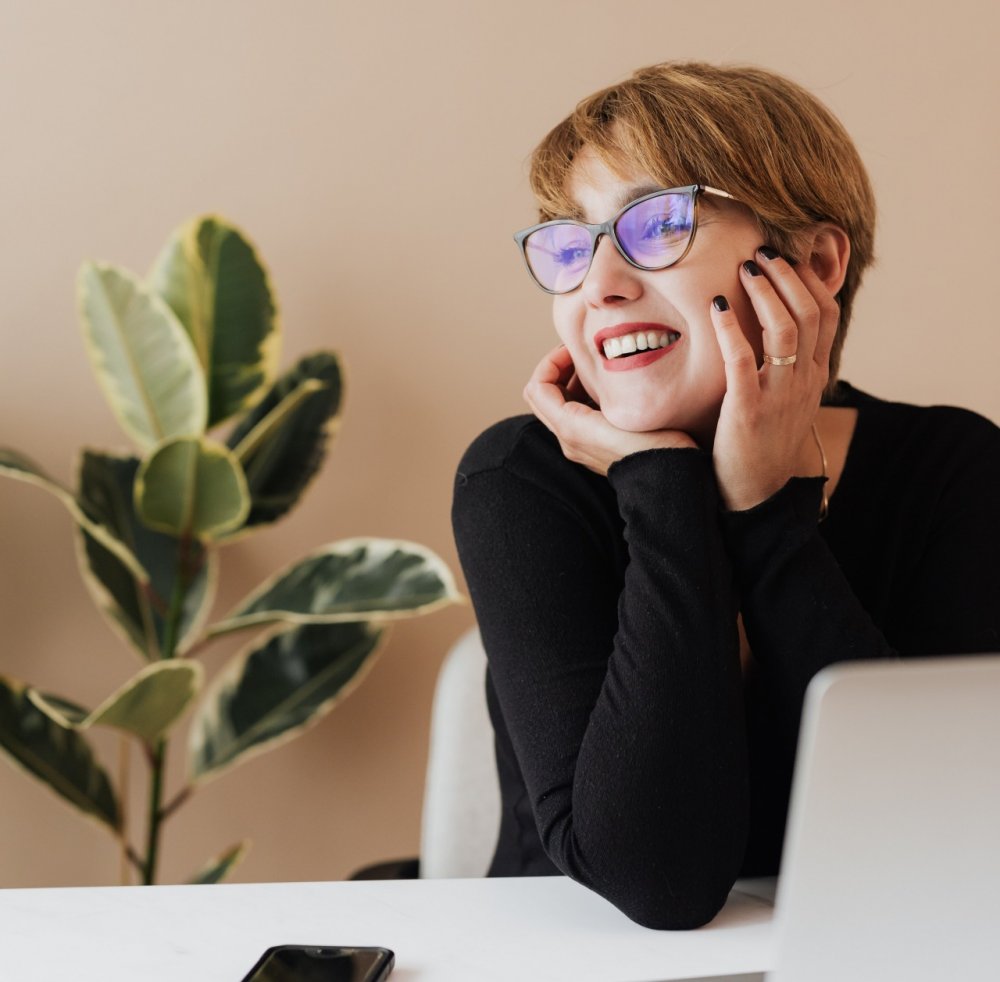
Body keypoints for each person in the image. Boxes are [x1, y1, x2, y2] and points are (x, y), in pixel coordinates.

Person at [451, 62, 1000, 930]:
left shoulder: (955, 467)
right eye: (570, 244)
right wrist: (661, 483)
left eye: (657, 223)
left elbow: (938, 833)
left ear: (814, 263)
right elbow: (659, 880)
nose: (599, 287)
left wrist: (764, 513)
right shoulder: (520, 480)